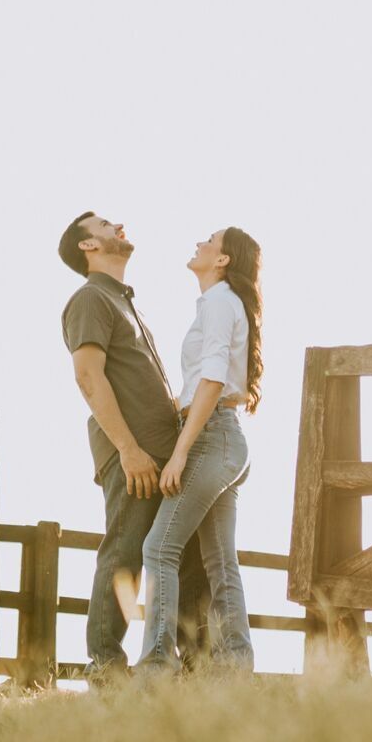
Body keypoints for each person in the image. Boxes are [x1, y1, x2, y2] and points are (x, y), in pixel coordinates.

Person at [58, 211, 210, 684]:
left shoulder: (123, 302)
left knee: (187, 560)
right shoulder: (89, 299)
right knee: (124, 553)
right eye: (104, 224)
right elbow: (88, 376)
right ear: (88, 246)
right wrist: (127, 449)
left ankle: (199, 668)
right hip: (135, 457)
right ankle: (105, 666)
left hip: (165, 454)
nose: (117, 225)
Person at [137, 226, 263, 675]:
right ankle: (236, 664)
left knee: (159, 549)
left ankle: (155, 665)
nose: (199, 244)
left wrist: (180, 452)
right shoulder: (224, 303)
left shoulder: (218, 303)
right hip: (225, 437)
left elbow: (212, 380)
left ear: (223, 259)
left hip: (211, 438)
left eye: (209, 241)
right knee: (220, 562)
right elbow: (205, 383)